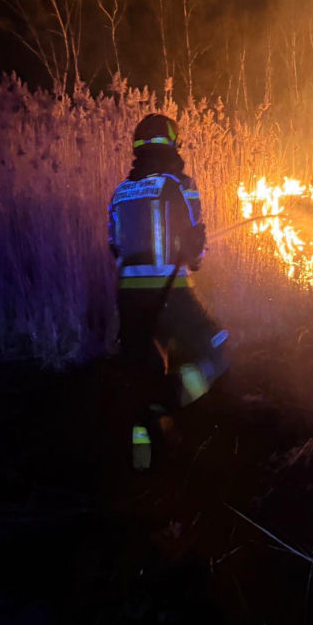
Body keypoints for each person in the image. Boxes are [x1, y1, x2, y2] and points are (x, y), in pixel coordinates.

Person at [108, 113, 228, 469]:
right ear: (172, 144)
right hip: (170, 293)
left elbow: (115, 245)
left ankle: (142, 466)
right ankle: (172, 399)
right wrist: (197, 253)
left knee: (140, 376)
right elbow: (194, 255)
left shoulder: (121, 191)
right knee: (217, 349)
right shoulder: (180, 184)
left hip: (129, 297)